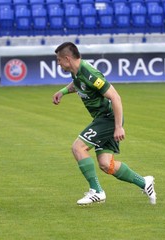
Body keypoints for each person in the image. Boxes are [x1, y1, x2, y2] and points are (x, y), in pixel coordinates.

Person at [52, 42, 156, 205]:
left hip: (108, 118)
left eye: (59, 60)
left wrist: (118, 126)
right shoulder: (77, 72)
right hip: (104, 119)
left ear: (67, 58)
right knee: (106, 165)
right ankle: (144, 183)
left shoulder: (90, 73)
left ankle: (97, 191)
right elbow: (78, 84)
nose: (58, 63)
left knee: (78, 147)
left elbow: (115, 97)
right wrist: (63, 92)